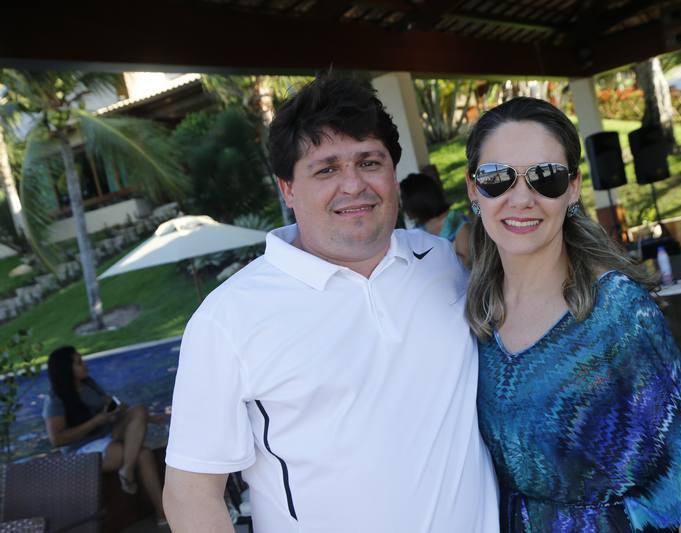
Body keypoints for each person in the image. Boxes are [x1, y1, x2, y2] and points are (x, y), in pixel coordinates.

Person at [163, 76, 499, 533]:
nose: (353, 185)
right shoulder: (227, 320)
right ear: (287, 188)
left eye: (369, 162)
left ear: (393, 174)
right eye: (326, 170)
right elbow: (191, 493)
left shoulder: (442, 263)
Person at [464, 97, 681, 532]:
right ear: (473, 189)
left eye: (545, 177)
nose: (521, 198)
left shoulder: (616, 312)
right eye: (497, 178)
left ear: (572, 188)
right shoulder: (473, 313)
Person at [43, 346, 167, 526]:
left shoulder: (88, 384)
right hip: (82, 449)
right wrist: (96, 421)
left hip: (107, 433)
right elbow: (57, 440)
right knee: (144, 454)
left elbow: (111, 405)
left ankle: (127, 470)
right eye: (79, 362)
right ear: (66, 369)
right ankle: (162, 513)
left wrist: (137, 415)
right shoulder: (55, 399)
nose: (85, 365)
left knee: (139, 409)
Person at [400, 172, 471, 266]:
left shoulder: (456, 221)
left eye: (403, 200)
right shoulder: (417, 230)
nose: (402, 207)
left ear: (417, 201)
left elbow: (466, 261)